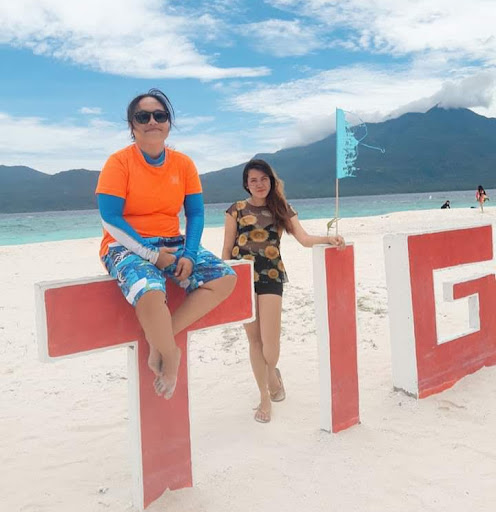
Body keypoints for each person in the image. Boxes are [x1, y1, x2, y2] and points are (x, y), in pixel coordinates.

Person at [96, 88, 237, 399]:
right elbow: (110, 218)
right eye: (143, 116)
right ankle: (171, 354)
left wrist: (189, 254)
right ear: (132, 125)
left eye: (159, 115)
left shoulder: (183, 164)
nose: (152, 121)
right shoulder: (118, 163)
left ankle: (161, 339)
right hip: (124, 246)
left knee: (225, 278)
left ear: (168, 123)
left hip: (173, 241)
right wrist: (151, 254)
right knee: (149, 291)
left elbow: (195, 213)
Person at [222, 159, 345, 423]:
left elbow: (304, 239)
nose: (259, 184)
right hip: (242, 279)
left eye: (263, 179)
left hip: (271, 275)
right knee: (254, 340)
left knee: (271, 344)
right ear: (246, 184)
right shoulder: (235, 210)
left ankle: (272, 374)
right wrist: (226, 279)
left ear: (271, 180)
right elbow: (226, 250)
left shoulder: (282, 209)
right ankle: (265, 397)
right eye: (253, 180)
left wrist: (328, 238)